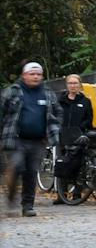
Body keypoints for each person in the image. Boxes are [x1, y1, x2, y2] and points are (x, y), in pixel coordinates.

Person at [2, 62, 60, 217]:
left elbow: (57, 112)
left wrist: (53, 131)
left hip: (38, 141)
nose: (35, 77)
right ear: (24, 75)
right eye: (32, 74)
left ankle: (28, 206)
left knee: (31, 173)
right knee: (16, 167)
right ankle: (11, 197)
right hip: (15, 139)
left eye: (38, 74)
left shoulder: (48, 93)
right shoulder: (12, 92)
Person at [54, 75, 94, 203]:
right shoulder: (60, 100)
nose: (73, 86)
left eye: (75, 83)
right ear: (66, 85)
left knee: (79, 165)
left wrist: (81, 130)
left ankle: (77, 194)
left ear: (80, 85)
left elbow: (89, 120)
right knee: (63, 164)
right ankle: (62, 195)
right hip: (63, 135)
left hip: (78, 136)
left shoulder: (85, 101)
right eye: (70, 83)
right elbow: (54, 117)